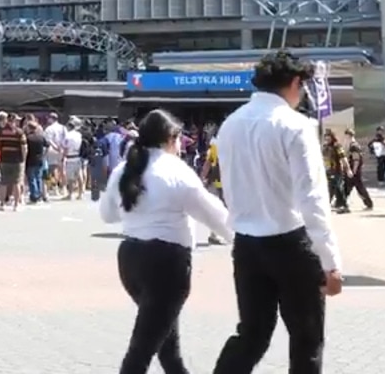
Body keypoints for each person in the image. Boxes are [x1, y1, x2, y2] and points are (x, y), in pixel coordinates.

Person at [211, 51, 342, 374]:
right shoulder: (295, 125)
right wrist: (330, 261)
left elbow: (229, 186)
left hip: (246, 243)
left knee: (252, 334)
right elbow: (312, 197)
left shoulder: (231, 124)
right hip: (290, 242)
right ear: (296, 82)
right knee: (306, 338)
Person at [99, 109, 232, 374]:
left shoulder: (125, 169)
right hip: (167, 262)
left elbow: (107, 214)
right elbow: (212, 213)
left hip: (130, 259)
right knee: (142, 349)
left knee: (166, 345)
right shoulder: (175, 170)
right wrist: (241, 238)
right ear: (171, 138)